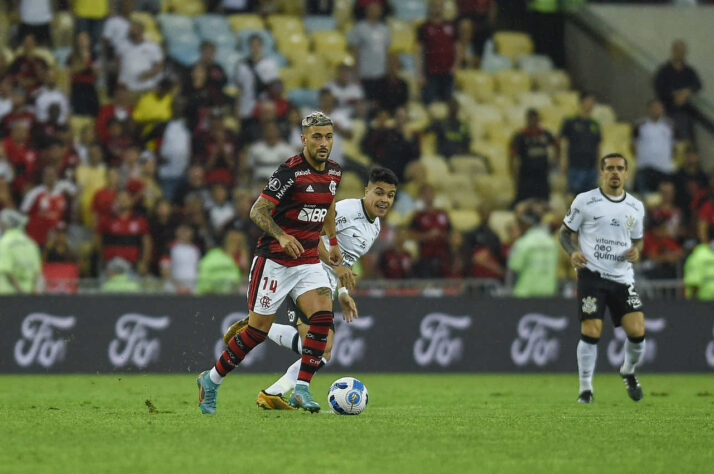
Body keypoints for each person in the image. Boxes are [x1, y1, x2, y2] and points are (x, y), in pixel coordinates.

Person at [196, 111, 343, 414]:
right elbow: (257, 211)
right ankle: (211, 380)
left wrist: (333, 245)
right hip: (274, 259)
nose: (323, 142)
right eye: (317, 136)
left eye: (328, 136)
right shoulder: (289, 171)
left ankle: (301, 388)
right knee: (255, 332)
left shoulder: (334, 172)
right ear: (304, 139)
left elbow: (327, 207)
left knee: (323, 318)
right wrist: (282, 236)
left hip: (308, 260)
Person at [223, 167, 399, 410]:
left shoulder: (375, 226)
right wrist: (337, 271)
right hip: (305, 276)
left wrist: (344, 293)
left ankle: (272, 389)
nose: (384, 200)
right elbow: (309, 237)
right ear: (366, 191)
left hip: (326, 287)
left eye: (390, 195)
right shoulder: (345, 211)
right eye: (379, 193)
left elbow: (344, 262)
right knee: (320, 348)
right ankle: (261, 335)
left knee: (322, 352)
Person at [559, 153, 646, 404]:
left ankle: (628, 369)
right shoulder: (585, 201)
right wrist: (572, 251)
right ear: (602, 172)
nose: (615, 172)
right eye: (610, 168)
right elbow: (565, 233)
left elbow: (636, 238)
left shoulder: (636, 207)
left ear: (627, 174)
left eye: (620, 168)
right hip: (592, 275)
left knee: (638, 333)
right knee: (592, 330)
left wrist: (637, 249)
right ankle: (585, 389)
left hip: (622, 277)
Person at [653, 40, 702, 142]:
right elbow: (659, 88)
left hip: (685, 110)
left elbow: (698, 85)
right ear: (673, 51)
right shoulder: (664, 71)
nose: (681, 54)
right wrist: (674, 95)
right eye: (679, 51)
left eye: (683, 52)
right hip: (668, 108)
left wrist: (687, 91)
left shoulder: (689, 71)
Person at [507, 200, 558, 297]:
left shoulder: (523, 243)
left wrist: (509, 294)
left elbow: (513, 272)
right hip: (548, 294)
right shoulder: (551, 243)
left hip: (524, 294)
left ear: (526, 223)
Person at [510, 108, 559, 203]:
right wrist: (513, 172)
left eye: (535, 119)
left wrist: (555, 162)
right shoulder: (521, 136)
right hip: (526, 176)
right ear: (527, 120)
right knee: (524, 202)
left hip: (542, 175)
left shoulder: (545, 134)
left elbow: (557, 145)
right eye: (530, 119)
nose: (533, 122)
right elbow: (512, 155)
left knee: (543, 202)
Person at [559, 92, 601, 195]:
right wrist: (563, 161)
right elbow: (563, 142)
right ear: (581, 102)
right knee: (575, 197)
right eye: (588, 101)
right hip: (575, 166)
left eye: (593, 102)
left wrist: (599, 165)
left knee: (590, 198)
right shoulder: (570, 122)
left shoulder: (595, 124)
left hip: (591, 167)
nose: (591, 104)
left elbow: (598, 146)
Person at [633, 99, 674, 194]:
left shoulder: (669, 125)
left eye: (659, 108)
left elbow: (675, 145)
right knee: (643, 199)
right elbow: (632, 145)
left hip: (663, 169)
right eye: (654, 108)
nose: (657, 110)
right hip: (645, 168)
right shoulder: (639, 125)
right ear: (648, 109)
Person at [0, 209, 42, 294]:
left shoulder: (4, 243)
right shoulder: (31, 243)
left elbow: (7, 271)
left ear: (4, 224)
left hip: (6, 295)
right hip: (28, 295)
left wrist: (20, 292)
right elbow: (37, 272)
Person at [196, 229, 244, 295]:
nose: (235, 245)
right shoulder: (214, 255)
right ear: (226, 242)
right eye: (232, 241)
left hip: (233, 295)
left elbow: (238, 278)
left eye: (238, 242)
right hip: (210, 294)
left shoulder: (242, 257)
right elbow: (204, 274)